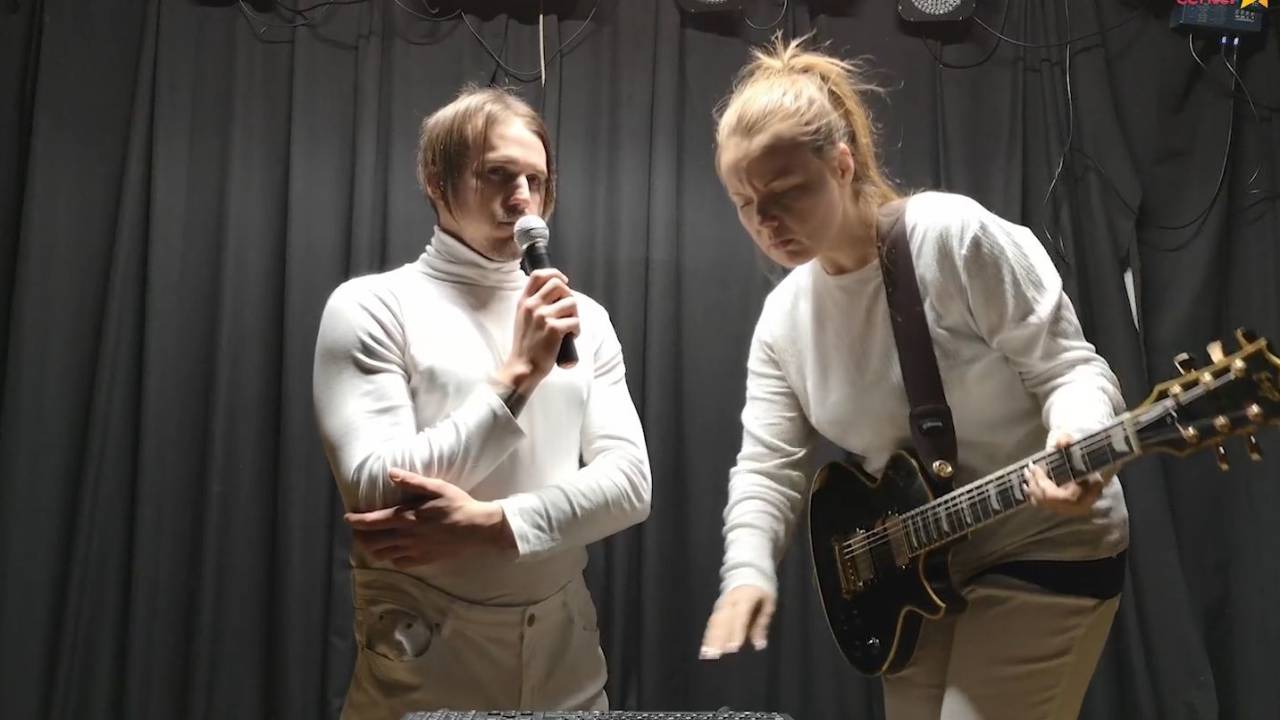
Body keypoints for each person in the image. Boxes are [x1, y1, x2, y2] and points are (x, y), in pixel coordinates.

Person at [698, 37, 1129, 720]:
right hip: (920, 570)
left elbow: (1071, 369)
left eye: (784, 192)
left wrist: (1079, 441)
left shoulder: (952, 238)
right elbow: (767, 469)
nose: (765, 221)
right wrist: (747, 570)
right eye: (744, 201)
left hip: (1044, 540)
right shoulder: (783, 321)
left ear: (842, 164)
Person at [313, 85, 651, 719]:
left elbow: (631, 485)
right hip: (427, 662)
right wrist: (518, 376)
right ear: (436, 181)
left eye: (535, 180)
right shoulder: (373, 307)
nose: (522, 198)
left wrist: (496, 526)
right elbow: (376, 490)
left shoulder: (585, 319)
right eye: (497, 175)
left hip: (565, 660)